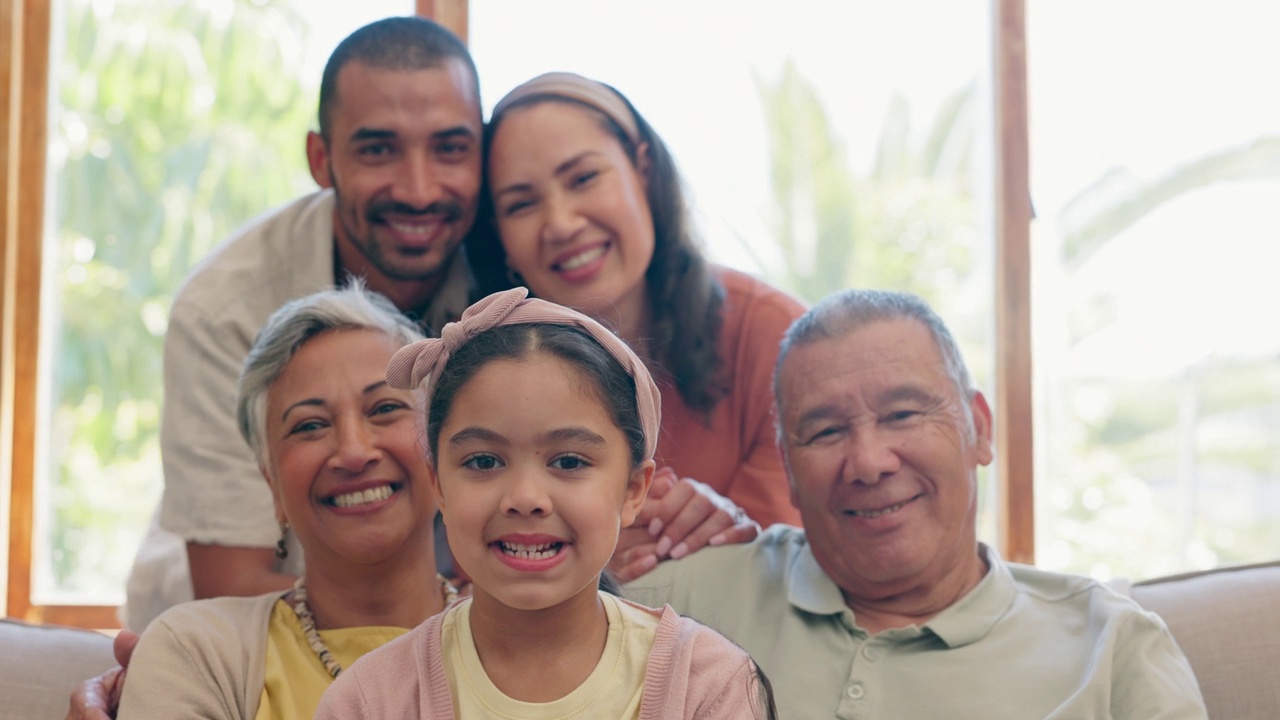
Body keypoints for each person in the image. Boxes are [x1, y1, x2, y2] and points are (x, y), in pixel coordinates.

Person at [625, 288, 1210, 718]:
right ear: (789, 466)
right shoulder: (679, 601)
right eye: (825, 431)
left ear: (978, 429)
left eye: (903, 414)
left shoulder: (1110, 647)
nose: (869, 462)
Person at [125, 16, 484, 632]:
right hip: (237, 620)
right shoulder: (225, 310)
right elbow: (230, 583)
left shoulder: (516, 262)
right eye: (378, 149)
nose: (421, 189)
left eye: (450, 148)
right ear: (321, 159)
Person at [313, 286, 771, 719]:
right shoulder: (370, 701)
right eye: (484, 460)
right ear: (438, 486)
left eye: (569, 461)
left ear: (634, 490)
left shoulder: (706, 685)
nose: (525, 499)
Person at [473, 72, 807, 576]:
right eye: (522, 204)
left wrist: (734, 533)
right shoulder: (472, 377)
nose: (561, 223)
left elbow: (806, 564)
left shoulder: (772, 338)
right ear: (500, 239)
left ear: (643, 170)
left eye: (584, 178)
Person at [117, 283, 458, 719]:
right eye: (309, 425)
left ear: (439, 448)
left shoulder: (532, 637)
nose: (354, 452)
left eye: (384, 409)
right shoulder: (196, 652)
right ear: (272, 486)